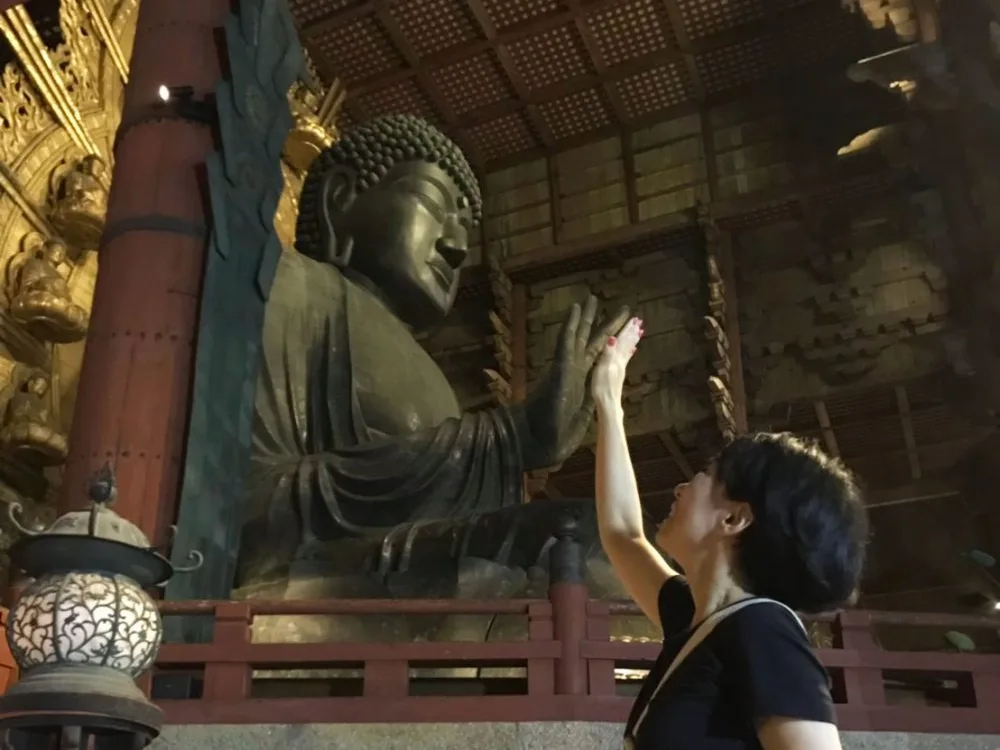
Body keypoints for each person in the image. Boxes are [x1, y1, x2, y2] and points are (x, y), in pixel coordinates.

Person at [591, 316, 869, 750]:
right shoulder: (699, 622)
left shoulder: (763, 628)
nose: (681, 487)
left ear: (734, 519)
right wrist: (608, 397)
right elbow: (623, 535)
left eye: (704, 475)